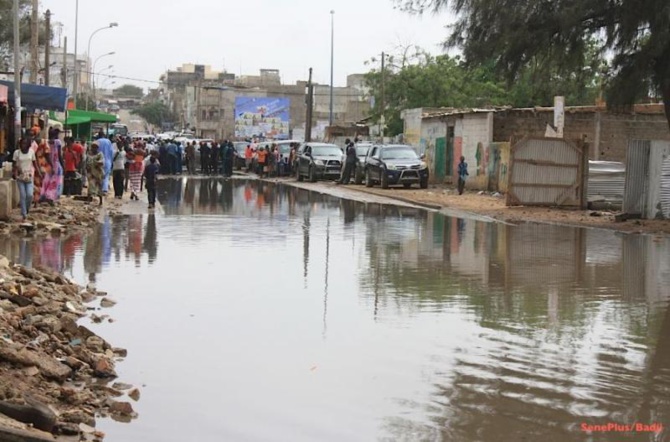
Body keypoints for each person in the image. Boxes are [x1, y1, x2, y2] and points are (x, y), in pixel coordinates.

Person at [12, 138, 38, 221]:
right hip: (20, 177)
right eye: (22, 144)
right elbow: (14, 165)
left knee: (30, 195)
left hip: (29, 176)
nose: (23, 145)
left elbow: (35, 163)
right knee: (23, 195)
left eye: (25, 144)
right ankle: (24, 214)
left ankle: (26, 209)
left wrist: (39, 173)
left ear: (28, 145)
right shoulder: (17, 153)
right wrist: (15, 173)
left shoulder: (31, 152)